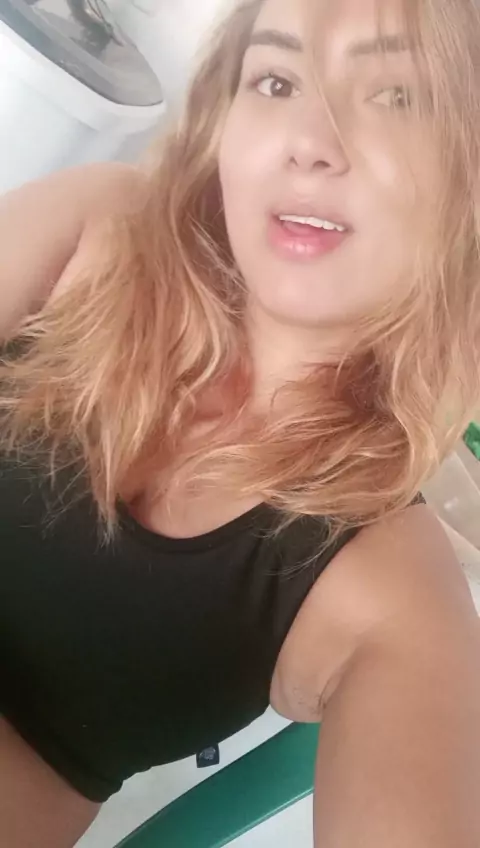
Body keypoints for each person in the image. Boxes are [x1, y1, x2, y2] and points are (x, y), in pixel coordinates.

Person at [1, 0, 480, 845]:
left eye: (396, 96)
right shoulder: (96, 232)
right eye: (277, 80)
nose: (310, 139)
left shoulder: (387, 584)